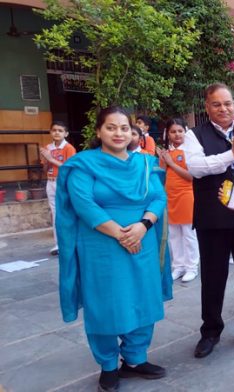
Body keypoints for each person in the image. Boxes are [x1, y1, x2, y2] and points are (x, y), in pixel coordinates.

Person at [56, 106, 172, 392]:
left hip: (141, 243)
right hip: (101, 246)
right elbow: (84, 205)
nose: (118, 133)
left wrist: (143, 226)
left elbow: (158, 198)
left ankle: (135, 358)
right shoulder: (83, 165)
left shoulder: (144, 164)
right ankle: (108, 365)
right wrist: (122, 235)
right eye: (111, 127)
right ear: (98, 131)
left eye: (123, 127)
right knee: (105, 305)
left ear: (132, 132)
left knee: (143, 300)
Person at [182, 83, 234, 357]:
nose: (223, 109)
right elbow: (196, 168)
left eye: (228, 103)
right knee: (213, 278)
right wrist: (233, 154)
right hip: (212, 218)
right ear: (207, 108)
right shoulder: (195, 135)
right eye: (216, 104)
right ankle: (211, 331)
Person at [157, 118, 199, 283]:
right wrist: (163, 160)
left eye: (180, 131)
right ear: (168, 134)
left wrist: (171, 163)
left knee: (189, 234)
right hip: (170, 196)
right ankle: (178, 266)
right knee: (173, 234)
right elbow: (162, 174)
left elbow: (191, 176)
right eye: (173, 132)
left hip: (186, 196)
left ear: (186, 131)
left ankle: (192, 267)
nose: (177, 135)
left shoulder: (190, 151)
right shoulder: (167, 153)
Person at [39, 121, 76, 256]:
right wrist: (45, 159)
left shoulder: (69, 148)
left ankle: (70, 241)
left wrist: (51, 158)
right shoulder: (48, 147)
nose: (56, 133)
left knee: (65, 211)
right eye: (54, 130)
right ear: (50, 132)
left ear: (66, 133)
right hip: (51, 182)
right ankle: (58, 244)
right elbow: (45, 169)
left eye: (60, 130)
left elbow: (69, 167)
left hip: (64, 182)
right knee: (54, 214)